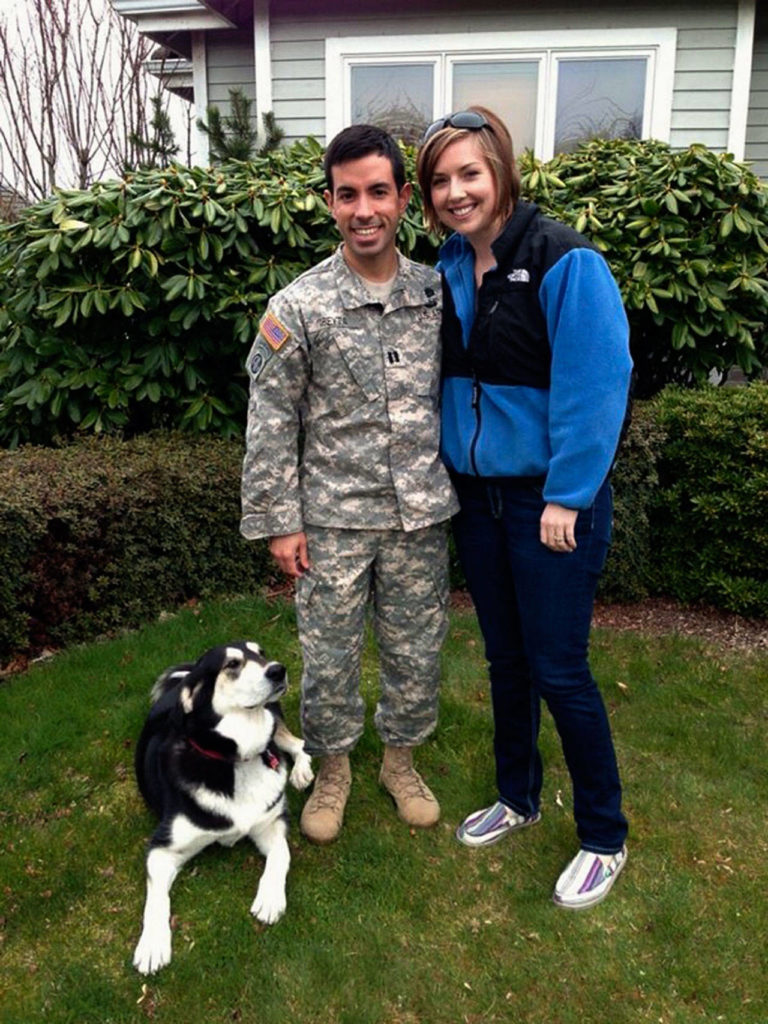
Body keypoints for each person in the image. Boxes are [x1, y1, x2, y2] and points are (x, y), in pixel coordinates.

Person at [416, 107, 632, 909]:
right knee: (506, 662)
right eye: (440, 179)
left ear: (501, 170)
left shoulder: (565, 261)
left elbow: (597, 385)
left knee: (560, 670)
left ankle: (604, 835)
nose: (455, 191)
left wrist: (567, 495)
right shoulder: (443, 269)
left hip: (550, 505)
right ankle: (518, 795)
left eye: (469, 172)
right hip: (479, 502)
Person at [241, 124, 458, 845]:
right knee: (330, 653)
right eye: (346, 195)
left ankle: (400, 764)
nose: (364, 210)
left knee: (415, 649)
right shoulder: (298, 306)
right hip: (331, 520)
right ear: (329, 203)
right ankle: (332, 770)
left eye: (377, 192)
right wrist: (279, 520)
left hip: (418, 516)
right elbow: (271, 418)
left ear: (402, 197)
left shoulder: (437, 293)